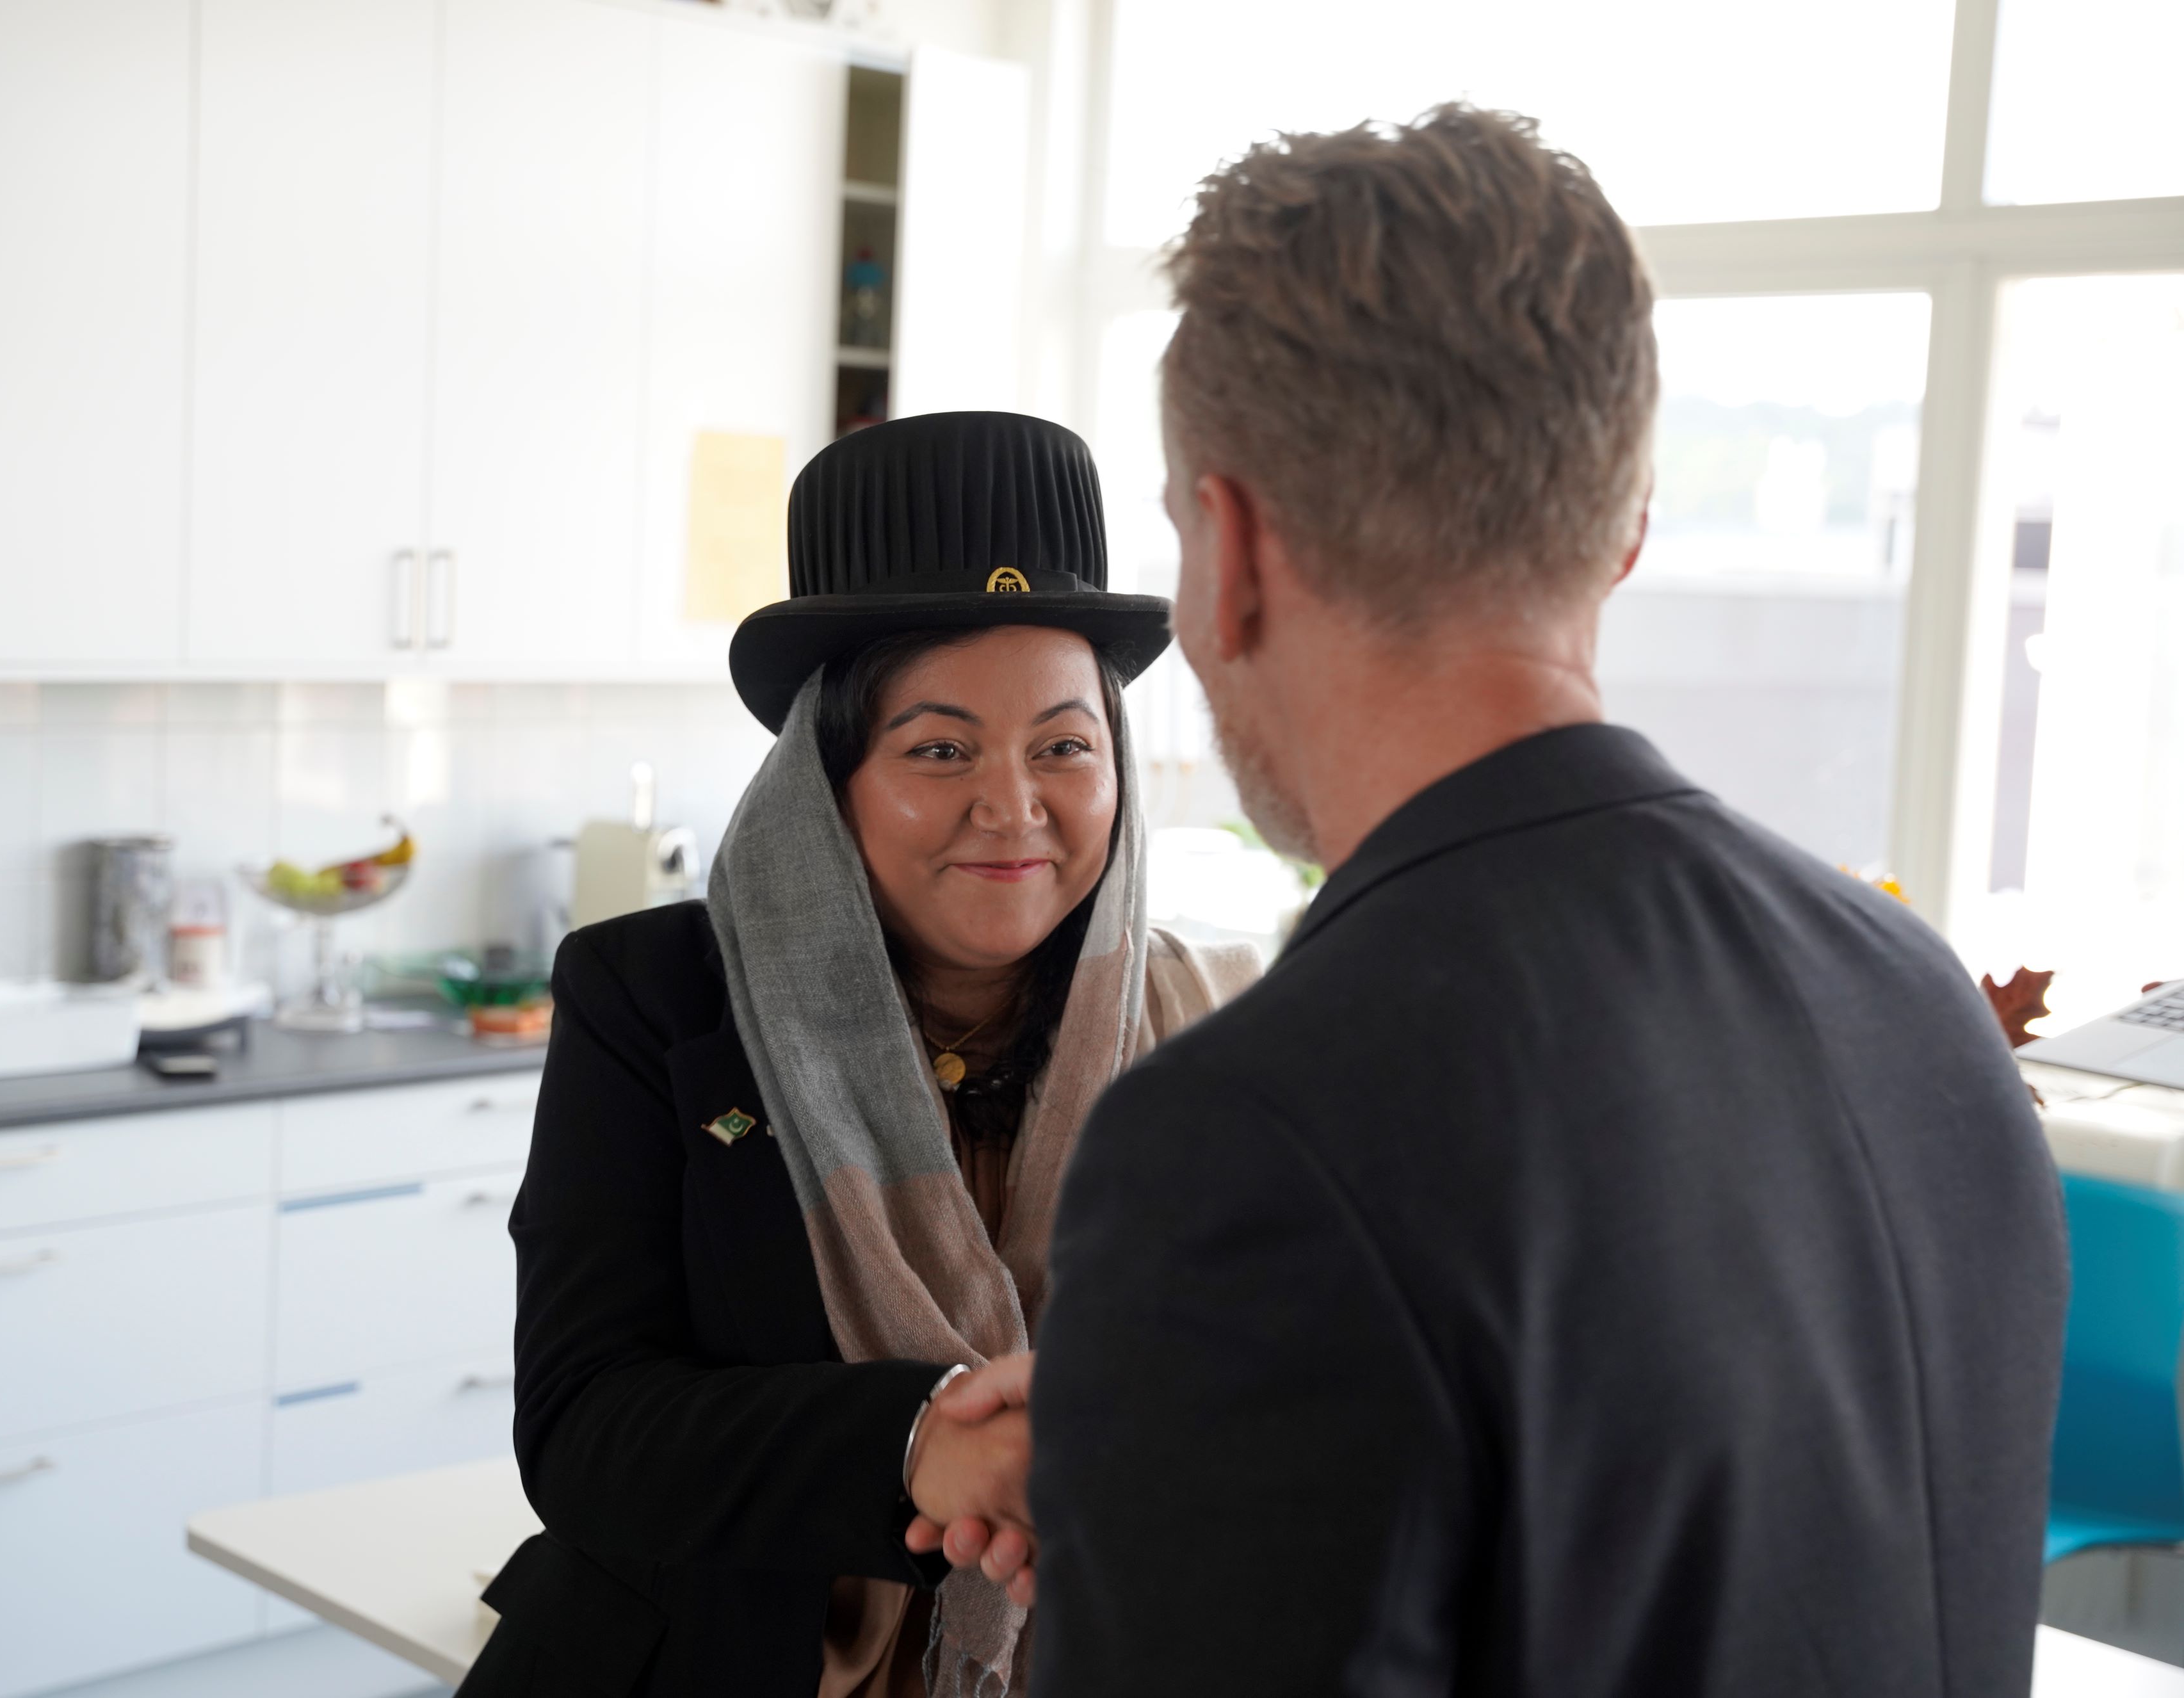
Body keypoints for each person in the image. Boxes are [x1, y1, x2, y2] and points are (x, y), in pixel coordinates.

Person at [918, 107, 2069, 1695]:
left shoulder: (1248, 1140)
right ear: (1622, 531)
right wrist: (1172, 1458)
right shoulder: (1907, 996)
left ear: (1230, 548)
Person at [456, 410, 1259, 1698]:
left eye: (1064, 745)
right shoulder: (655, 1002)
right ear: (822, 779)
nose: (1013, 805)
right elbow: (585, 1427)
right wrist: (914, 1443)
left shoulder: (1212, 1026)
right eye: (938, 749)